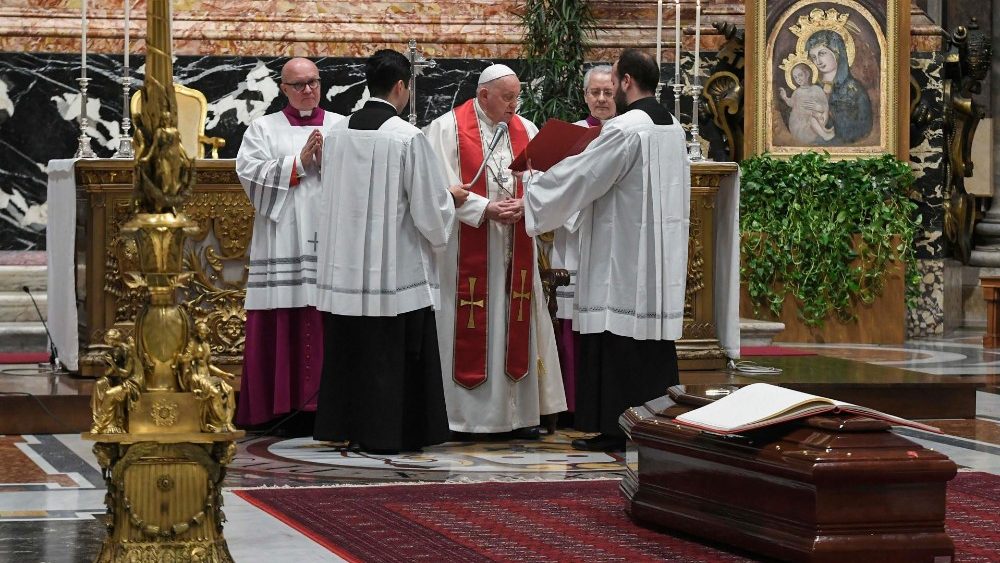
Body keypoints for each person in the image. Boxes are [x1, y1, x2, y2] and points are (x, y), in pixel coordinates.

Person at [522, 49, 690, 452]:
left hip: (622, 254)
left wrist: (533, 192)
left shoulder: (625, 128)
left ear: (627, 81)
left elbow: (586, 175)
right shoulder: (672, 126)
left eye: (614, 78)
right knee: (649, 340)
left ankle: (616, 427)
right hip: (658, 256)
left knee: (619, 334)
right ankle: (654, 423)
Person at [311, 49, 467, 454]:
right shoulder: (406, 137)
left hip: (345, 270)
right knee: (391, 352)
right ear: (401, 86)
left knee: (352, 349)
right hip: (393, 271)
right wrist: (449, 199)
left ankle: (347, 425)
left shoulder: (338, 133)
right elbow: (429, 210)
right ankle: (391, 432)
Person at [425, 64, 566, 438]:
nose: (514, 104)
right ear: (483, 94)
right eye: (507, 97)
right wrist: (484, 208)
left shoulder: (526, 130)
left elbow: (544, 180)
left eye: (516, 96)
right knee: (471, 325)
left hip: (514, 247)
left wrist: (528, 204)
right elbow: (436, 189)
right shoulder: (445, 130)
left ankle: (517, 417)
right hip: (465, 253)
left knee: (514, 322)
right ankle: (461, 419)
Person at [235, 57, 343, 431]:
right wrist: (298, 162)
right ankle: (278, 408)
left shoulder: (341, 126)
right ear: (283, 89)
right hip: (282, 238)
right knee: (284, 315)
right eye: (298, 85)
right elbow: (248, 172)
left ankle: (330, 406)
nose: (308, 90)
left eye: (313, 82)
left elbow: (361, 176)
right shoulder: (263, 129)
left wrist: (330, 160)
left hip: (330, 239)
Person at [552, 65, 617, 418]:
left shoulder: (626, 133)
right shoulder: (571, 135)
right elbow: (555, 183)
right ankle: (573, 403)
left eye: (608, 92)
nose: (602, 99)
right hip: (575, 241)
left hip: (612, 243)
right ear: (585, 96)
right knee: (573, 321)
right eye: (595, 93)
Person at [805, 30, 872, 144]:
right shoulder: (813, 88)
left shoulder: (854, 89)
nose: (818, 61)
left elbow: (864, 127)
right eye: (813, 57)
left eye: (822, 53)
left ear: (837, 52)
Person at [779, 62, 834, 144]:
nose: (798, 79)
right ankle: (824, 134)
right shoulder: (797, 92)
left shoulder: (817, 89)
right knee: (812, 119)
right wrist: (785, 97)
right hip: (800, 125)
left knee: (815, 117)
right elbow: (791, 103)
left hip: (816, 120)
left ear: (807, 74)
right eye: (795, 77)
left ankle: (824, 131)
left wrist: (818, 107)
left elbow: (825, 106)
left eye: (800, 75)